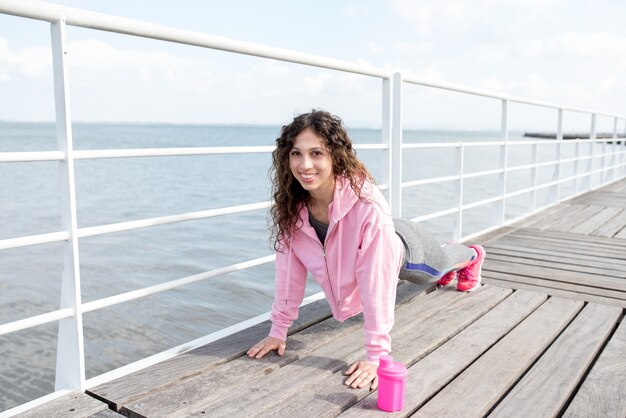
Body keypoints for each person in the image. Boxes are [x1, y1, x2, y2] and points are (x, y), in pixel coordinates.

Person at [246, 110, 485, 390]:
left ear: (334, 155)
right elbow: (288, 274)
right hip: (381, 233)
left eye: (316, 153)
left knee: (440, 266)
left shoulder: (367, 205)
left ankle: (471, 255)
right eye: (296, 153)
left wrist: (376, 357)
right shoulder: (292, 210)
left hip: (406, 250)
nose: (305, 164)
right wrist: (278, 331)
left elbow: (376, 283)